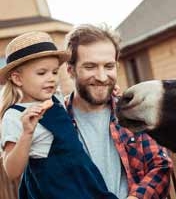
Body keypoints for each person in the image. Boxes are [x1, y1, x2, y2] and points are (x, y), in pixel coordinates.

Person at [0, 31, 118, 199]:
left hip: (86, 182)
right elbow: (12, 171)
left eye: (54, 72)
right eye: (42, 73)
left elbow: (79, 98)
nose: (51, 79)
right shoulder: (15, 115)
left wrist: (107, 90)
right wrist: (27, 133)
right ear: (18, 79)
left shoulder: (56, 100)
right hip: (57, 190)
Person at [65, 24, 173, 199]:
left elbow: (161, 166)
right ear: (71, 70)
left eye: (108, 66)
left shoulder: (134, 112)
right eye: (90, 67)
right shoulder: (57, 122)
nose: (101, 77)